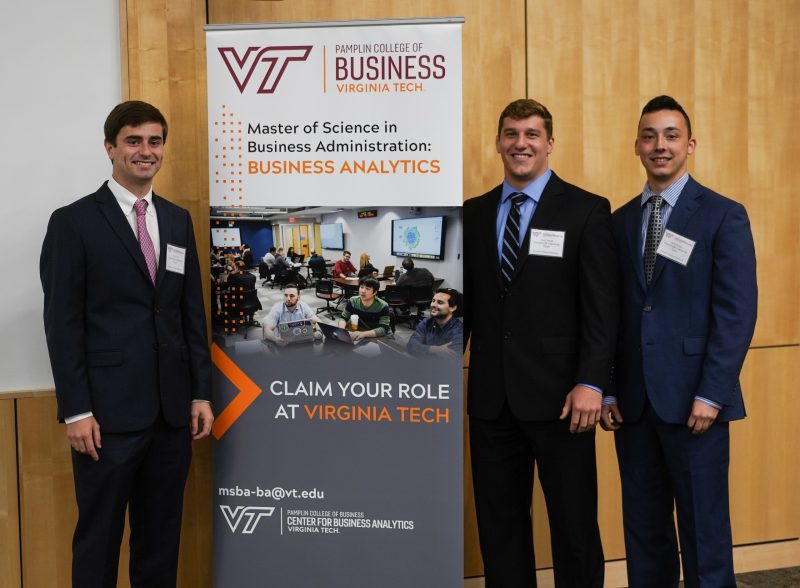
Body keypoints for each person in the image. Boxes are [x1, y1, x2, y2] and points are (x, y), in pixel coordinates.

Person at [39, 100, 214, 587]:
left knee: (160, 542)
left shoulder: (177, 221)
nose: (145, 151)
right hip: (105, 420)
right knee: (98, 543)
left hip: (170, 414)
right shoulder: (72, 223)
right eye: (133, 141)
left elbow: (189, 314)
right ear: (110, 148)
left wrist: (200, 393)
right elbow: (62, 323)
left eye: (154, 141)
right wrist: (76, 411)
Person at [601, 95, 757, 588]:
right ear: (636, 146)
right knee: (645, 533)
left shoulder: (722, 215)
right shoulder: (620, 221)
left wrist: (713, 392)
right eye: (650, 136)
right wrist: (607, 387)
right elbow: (610, 316)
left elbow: (736, 313)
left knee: (705, 533)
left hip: (696, 402)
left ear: (690, 144)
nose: (660, 145)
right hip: (634, 405)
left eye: (671, 136)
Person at [463, 98, 618, 587]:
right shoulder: (473, 213)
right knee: (500, 527)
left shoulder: (587, 210)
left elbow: (602, 309)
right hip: (491, 400)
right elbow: (463, 304)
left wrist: (592, 382)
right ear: (498, 143)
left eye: (532, 134)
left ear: (550, 143)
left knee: (573, 528)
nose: (521, 143)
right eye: (511, 134)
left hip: (563, 401)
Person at [406, 288, 463, 357]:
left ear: (452, 308)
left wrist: (422, 348)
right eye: (433, 301)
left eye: (440, 302)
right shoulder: (426, 322)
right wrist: (433, 349)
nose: (433, 305)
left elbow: (449, 358)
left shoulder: (459, 331)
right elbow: (411, 345)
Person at [338, 276, 390, 342]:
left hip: (375, 334)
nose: (363, 291)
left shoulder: (382, 306)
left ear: (375, 292)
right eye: (361, 287)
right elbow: (343, 317)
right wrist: (342, 330)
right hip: (361, 330)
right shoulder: (353, 301)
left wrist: (363, 334)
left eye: (367, 289)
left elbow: (384, 329)